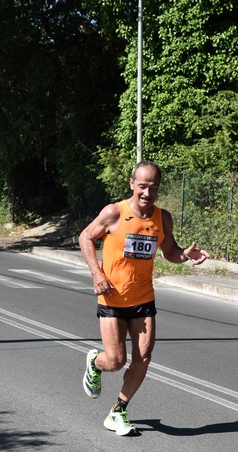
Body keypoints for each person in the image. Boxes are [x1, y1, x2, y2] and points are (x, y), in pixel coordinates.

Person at [79, 160, 209, 436]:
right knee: (114, 360)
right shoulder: (114, 212)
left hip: (143, 299)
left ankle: (118, 411)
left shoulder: (162, 218)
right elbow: (85, 237)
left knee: (144, 357)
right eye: (142, 186)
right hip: (112, 298)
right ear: (131, 184)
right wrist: (96, 274)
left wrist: (186, 255)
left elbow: (170, 252)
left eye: (153, 187)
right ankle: (94, 363)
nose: (147, 193)